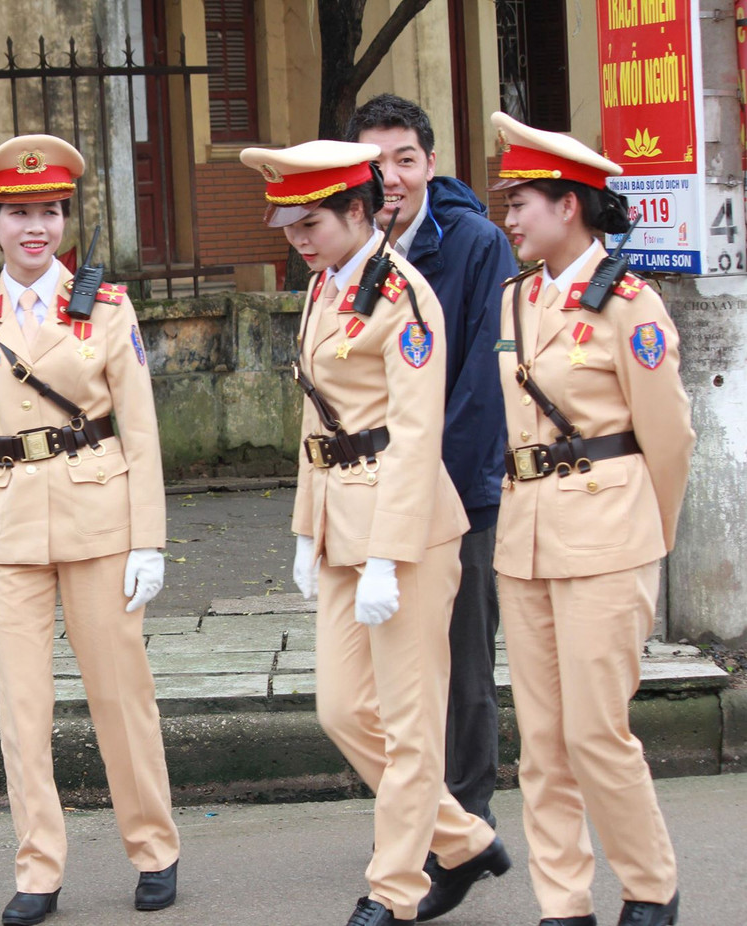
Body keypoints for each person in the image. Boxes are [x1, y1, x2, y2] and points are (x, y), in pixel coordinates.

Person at [239, 140, 509, 926]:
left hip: (407, 530)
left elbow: (418, 437)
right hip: (337, 524)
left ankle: (395, 887)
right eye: (288, 226)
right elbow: (314, 421)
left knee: (410, 717)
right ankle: (461, 837)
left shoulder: (404, 297)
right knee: (342, 710)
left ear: (358, 213)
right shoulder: (326, 287)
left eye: (309, 223)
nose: (296, 239)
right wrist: (302, 529)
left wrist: (390, 555)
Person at [0, 134, 179, 925]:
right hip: (8, 530)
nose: (34, 227)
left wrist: (150, 539)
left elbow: (139, 431)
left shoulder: (107, 308)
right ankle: (38, 868)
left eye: (48, 211)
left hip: (99, 518)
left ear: (65, 221)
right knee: (22, 709)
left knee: (121, 696)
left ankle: (154, 846)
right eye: (18, 213)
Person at [487, 111, 692, 926]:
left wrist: (649, 533)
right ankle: (563, 902)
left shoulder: (629, 304)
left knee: (598, 732)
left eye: (520, 203)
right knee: (541, 743)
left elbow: (668, 440)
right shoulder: (517, 298)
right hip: (525, 539)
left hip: (608, 537)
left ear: (567, 206)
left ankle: (649, 888)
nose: (507, 219)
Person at [346, 94, 516, 836]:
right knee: (384, 672)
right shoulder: (351, 254)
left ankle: (468, 811)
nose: (390, 177)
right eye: (375, 162)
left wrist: (422, 485)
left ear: (430, 165)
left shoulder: (477, 245)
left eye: (404, 160)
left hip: (459, 490)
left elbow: (484, 384)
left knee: (463, 663)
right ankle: (423, 819)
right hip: (370, 496)